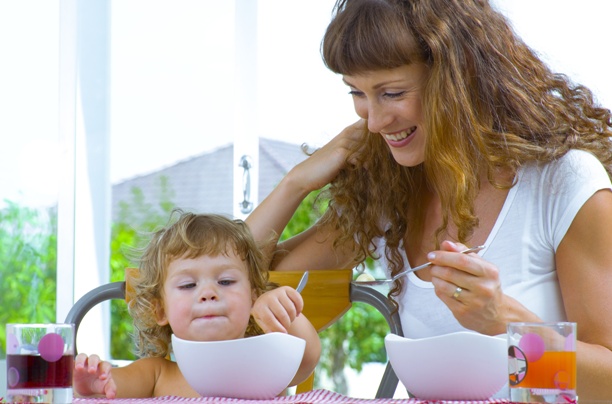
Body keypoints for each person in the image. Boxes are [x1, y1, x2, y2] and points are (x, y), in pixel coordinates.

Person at [246, 0, 612, 399]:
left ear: (458, 77)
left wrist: (503, 322)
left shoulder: (562, 183)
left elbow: (607, 386)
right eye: (358, 93)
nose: (373, 120)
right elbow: (230, 279)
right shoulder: (390, 194)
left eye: (392, 93)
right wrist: (295, 184)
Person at [73, 210, 321, 398]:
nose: (208, 293)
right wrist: (94, 384)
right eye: (188, 285)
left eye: (225, 281)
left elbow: (308, 356)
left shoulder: (264, 363)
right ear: (160, 310)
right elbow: (113, 386)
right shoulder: (155, 374)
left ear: (253, 298)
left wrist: (285, 313)